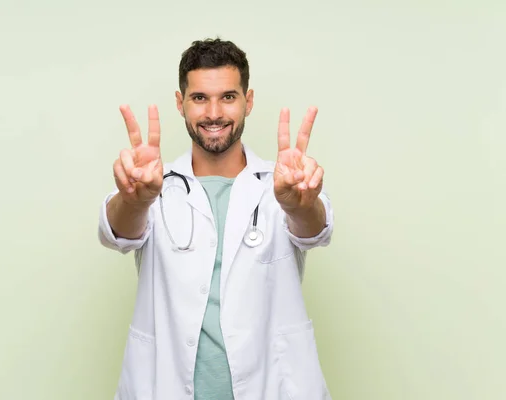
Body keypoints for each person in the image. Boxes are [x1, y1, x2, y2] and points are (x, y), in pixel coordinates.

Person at [98, 38, 334, 400]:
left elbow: (313, 230)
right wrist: (134, 200)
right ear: (180, 103)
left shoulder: (282, 184)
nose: (213, 113)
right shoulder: (154, 185)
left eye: (227, 96)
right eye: (199, 98)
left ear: (248, 101)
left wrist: (299, 204)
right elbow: (119, 232)